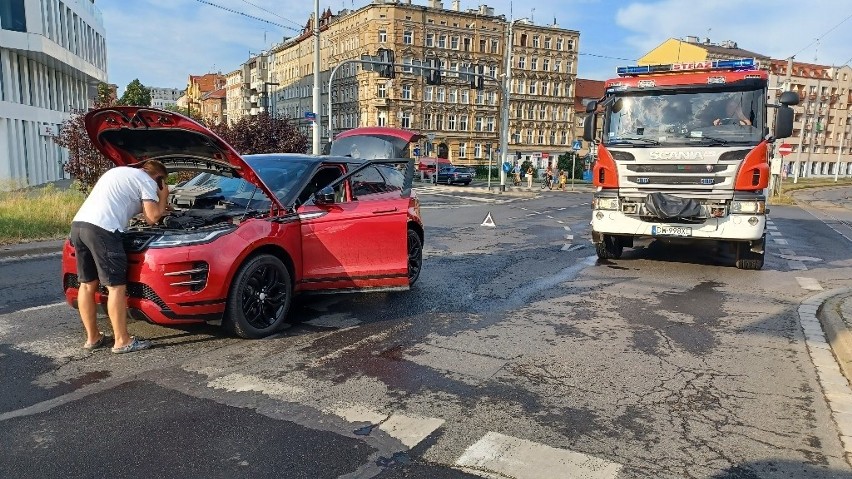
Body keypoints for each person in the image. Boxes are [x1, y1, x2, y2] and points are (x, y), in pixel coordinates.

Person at [70, 160, 170, 354]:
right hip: (103, 231)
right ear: (159, 179)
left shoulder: (119, 172)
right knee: (116, 286)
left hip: (79, 226)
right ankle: (122, 341)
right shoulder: (148, 182)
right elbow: (152, 218)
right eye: (162, 183)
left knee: (87, 284)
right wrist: (163, 197)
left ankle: (93, 338)